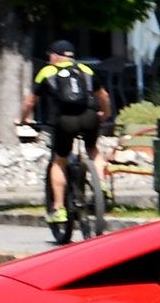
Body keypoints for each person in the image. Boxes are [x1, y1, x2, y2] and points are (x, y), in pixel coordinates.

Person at [17, 41, 111, 229]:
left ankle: (58, 208)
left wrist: (22, 119)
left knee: (59, 160)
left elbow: (30, 101)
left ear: (54, 56)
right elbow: (104, 96)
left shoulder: (47, 72)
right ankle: (101, 183)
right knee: (93, 150)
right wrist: (105, 113)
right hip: (89, 117)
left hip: (65, 121)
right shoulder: (85, 69)